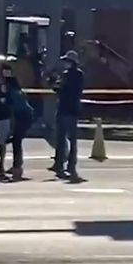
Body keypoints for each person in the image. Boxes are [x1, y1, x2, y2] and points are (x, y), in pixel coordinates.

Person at [53, 50, 85, 180]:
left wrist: (53, 83)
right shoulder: (80, 75)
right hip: (74, 109)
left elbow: (59, 89)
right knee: (72, 140)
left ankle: (59, 163)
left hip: (64, 109)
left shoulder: (66, 75)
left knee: (61, 139)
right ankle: (71, 165)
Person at [2, 64, 34, 179]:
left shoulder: (10, 90)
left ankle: (17, 168)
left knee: (16, 141)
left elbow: (11, 109)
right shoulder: (14, 86)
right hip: (26, 114)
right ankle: (17, 165)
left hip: (23, 115)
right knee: (17, 141)